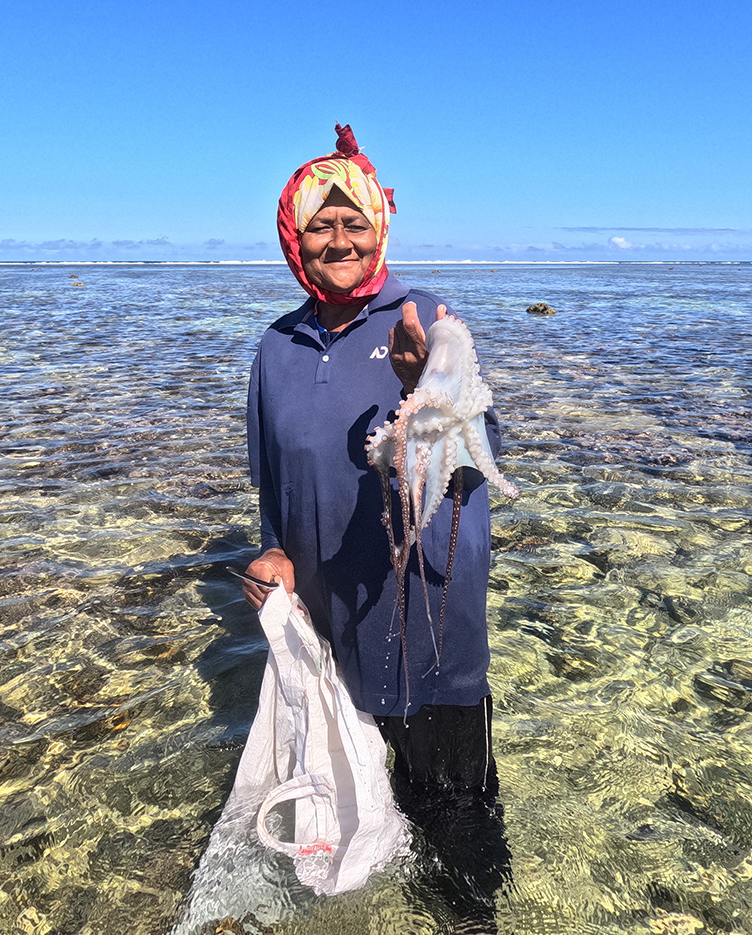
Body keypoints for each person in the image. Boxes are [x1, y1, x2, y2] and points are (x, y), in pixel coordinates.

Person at [243, 125, 510, 932]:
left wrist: (414, 380)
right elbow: (271, 475)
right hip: (328, 631)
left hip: (425, 621)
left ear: (378, 227)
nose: (338, 239)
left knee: (456, 817)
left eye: (353, 222)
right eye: (319, 225)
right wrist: (274, 549)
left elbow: (481, 447)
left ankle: (469, 917)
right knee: (347, 803)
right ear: (294, 236)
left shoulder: (425, 317)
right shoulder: (276, 345)